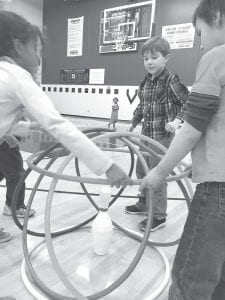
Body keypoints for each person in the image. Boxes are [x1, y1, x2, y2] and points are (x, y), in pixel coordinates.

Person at [0, 11, 131, 242]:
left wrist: (8, 134)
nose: (39, 60)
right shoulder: (17, 76)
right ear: (18, 46)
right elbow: (57, 125)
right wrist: (107, 165)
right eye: (36, 50)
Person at [140, 0, 225, 298]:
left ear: (215, 16)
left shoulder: (216, 57)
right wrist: (201, 162)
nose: (200, 45)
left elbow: (192, 125)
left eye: (200, 34)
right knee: (218, 273)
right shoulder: (145, 83)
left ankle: (157, 211)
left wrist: (161, 172)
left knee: (192, 276)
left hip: (218, 189)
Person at [125, 36, 189, 231]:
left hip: (162, 137)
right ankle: (144, 203)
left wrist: (178, 120)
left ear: (166, 58)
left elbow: (188, 102)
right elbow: (141, 108)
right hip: (145, 135)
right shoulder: (145, 83)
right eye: (146, 58)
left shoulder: (171, 80)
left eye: (154, 57)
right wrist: (131, 124)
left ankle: (159, 215)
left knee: (157, 175)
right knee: (142, 170)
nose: (149, 62)